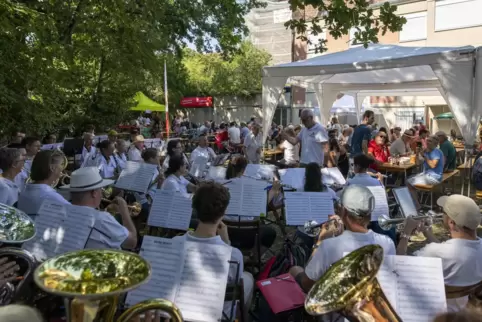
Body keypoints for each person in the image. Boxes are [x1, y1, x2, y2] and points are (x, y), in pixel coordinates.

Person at [289, 185, 395, 296]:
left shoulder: (328, 246)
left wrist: (320, 241)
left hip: (335, 310)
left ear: (343, 212)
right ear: (370, 214)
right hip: (368, 304)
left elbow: (307, 284)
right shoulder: (387, 242)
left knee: (295, 269)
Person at [173, 182, 254, 319]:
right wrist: (226, 243)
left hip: (178, 314)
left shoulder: (174, 242)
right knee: (248, 278)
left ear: (194, 209)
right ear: (223, 212)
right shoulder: (233, 255)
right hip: (216, 317)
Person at [398, 195, 482, 312]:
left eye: (444, 213)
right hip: (465, 312)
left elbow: (400, 266)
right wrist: (426, 231)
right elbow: (444, 249)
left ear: (451, 223)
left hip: (437, 314)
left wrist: (406, 232)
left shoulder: (435, 252)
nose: (441, 215)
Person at [63, 167, 137, 249]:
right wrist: (124, 211)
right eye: (100, 189)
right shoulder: (102, 219)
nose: (102, 194)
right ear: (94, 193)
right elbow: (132, 242)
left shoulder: (61, 212)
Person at [17, 150, 70, 215]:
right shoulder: (50, 196)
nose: (63, 168)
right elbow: (76, 214)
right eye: (61, 164)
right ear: (52, 168)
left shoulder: (24, 190)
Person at [407, 135, 445, 207]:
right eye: (427, 140)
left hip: (434, 177)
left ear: (435, 143)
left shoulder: (436, 151)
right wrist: (418, 154)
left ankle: (416, 205)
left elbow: (433, 165)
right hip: (427, 175)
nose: (427, 142)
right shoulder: (427, 152)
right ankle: (416, 201)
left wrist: (424, 156)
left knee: (408, 183)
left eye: (430, 141)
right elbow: (418, 164)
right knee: (408, 179)